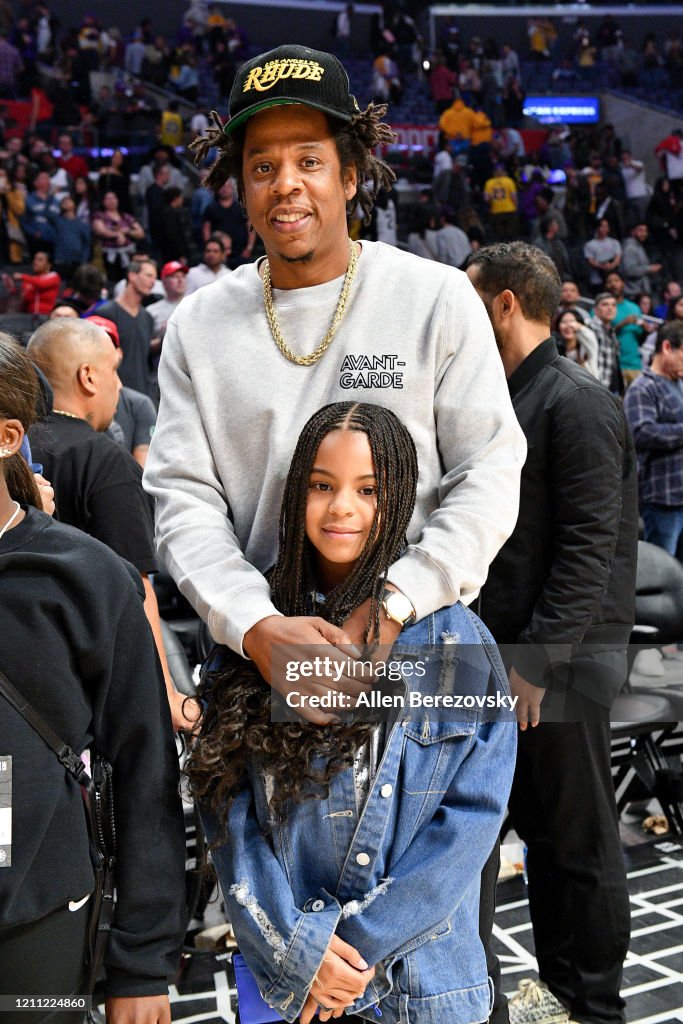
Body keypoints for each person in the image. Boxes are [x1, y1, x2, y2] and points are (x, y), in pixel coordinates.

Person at [144, 44, 526, 721]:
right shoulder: (198, 324)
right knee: (261, 831)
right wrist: (254, 626)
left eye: (309, 161)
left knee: (446, 824)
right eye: (262, 166)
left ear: (350, 176)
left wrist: (398, 597)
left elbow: (488, 469)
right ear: (240, 188)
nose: (285, 183)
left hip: (419, 637)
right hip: (260, 652)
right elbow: (184, 501)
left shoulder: (434, 298)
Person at [186, 400, 517, 1024]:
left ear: (398, 501)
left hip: (423, 989)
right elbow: (227, 810)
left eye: (368, 489)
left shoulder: (454, 641)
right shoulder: (257, 633)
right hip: (291, 990)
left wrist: (351, 953)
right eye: (321, 485)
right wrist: (299, 950)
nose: (342, 507)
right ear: (294, 495)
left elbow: (473, 816)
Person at [465, 241, 637, 1024]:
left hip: (557, 661)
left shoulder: (574, 399)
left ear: (504, 302)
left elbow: (587, 550)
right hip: (511, 659)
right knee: (527, 840)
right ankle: (552, 996)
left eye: (468, 300)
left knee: (573, 846)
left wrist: (535, 663)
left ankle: (591, 1004)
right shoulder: (505, 396)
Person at [0, 334, 186, 1024]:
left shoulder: (82, 576)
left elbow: (144, 770)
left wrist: (140, 963)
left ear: (7, 435)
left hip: (36, 932)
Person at [26, 317, 193, 732]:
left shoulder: (10, 451)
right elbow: (136, 590)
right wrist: (166, 693)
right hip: (93, 686)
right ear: (88, 377)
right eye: (114, 371)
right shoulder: (103, 460)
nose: (119, 387)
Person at [624, 320, 683, 560]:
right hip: (662, 498)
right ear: (667, 347)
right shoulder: (643, 387)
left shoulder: (678, 384)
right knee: (664, 571)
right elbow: (640, 433)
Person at [97, 258, 159, 398]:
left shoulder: (147, 317)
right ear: (132, 275)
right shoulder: (106, 313)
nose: (153, 282)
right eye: (149, 275)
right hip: (114, 394)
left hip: (143, 393)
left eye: (155, 277)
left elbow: (143, 354)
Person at [591, 291, 624, 395]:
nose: (610, 308)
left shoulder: (611, 331)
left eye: (614, 305)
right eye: (605, 304)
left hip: (611, 388)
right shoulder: (591, 328)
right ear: (595, 310)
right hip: (597, 387)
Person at [13, 249, 60, 314]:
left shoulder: (54, 276)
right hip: (29, 316)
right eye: (35, 259)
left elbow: (41, 284)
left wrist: (22, 276)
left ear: (49, 264)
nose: (35, 262)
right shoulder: (32, 279)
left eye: (40, 260)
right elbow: (25, 299)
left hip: (46, 315)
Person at [149, 260, 188, 335]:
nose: (180, 280)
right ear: (164, 282)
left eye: (183, 276)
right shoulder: (152, 311)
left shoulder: (196, 306)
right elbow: (145, 343)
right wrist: (163, 337)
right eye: (175, 277)